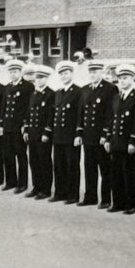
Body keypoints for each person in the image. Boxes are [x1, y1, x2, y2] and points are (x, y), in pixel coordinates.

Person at [104, 63, 135, 215]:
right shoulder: (115, 98)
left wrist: (134, 141)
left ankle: (131, 204)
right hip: (115, 141)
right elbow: (111, 119)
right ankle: (117, 202)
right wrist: (108, 139)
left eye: (125, 78)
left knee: (130, 174)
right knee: (116, 174)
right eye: (120, 78)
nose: (122, 81)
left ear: (133, 79)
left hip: (128, 143)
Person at [77, 60, 115, 209]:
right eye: (91, 72)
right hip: (88, 136)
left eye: (96, 71)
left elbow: (110, 113)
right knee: (89, 168)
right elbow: (81, 112)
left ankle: (106, 199)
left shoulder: (110, 89)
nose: (93, 74)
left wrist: (105, 134)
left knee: (105, 169)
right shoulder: (85, 89)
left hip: (100, 136)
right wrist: (79, 132)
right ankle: (90, 196)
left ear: (102, 72)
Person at [50, 61, 82, 204]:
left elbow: (79, 115)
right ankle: (59, 192)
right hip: (58, 135)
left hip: (70, 136)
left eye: (66, 73)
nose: (63, 76)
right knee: (58, 165)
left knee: (72, 166)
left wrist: (78, 134)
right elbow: (55, 114)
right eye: (61, 74)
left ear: (72, 74)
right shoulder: (58, 92)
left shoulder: (78, 92)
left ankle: (72, 194)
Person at [23, 65, 54, 199]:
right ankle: (36, 187)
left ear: (47, 79)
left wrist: (47, 132)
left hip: (43, 135)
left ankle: (46, 189)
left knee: (44, 161)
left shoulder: (51, 94)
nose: (39, 81)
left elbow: (51, 116)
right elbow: (29, 113)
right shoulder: (34, 94)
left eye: (41, 78)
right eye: (37, 78)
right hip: (33, 133)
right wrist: (26, 129)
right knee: (34, 161)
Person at [0, 59, 31, 194]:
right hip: (8, 126)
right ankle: (10, 181)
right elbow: (3, 107)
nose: (13, 74)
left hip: (19, 127)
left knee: (21, 155)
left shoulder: (27, 87)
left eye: (15, 72)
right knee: (8, 155)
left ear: (20, 72)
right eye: (11, 72)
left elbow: (29, 108)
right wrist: (1, 125)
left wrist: (25, 124)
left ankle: (22, 183)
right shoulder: (7, 87)